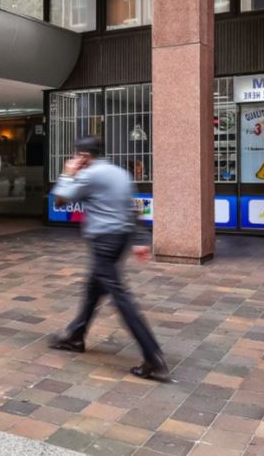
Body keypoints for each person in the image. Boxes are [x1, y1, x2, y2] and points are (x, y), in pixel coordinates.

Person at [49, 135, 168, 380]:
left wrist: (67, 173)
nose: (75, 158)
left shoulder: (90, 175)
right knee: (93, 288)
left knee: (120, 296)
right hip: (121, 238)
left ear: (84, 156)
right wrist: (140, 238)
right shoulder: (120, 173)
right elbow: (133, 207)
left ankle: (152, 356)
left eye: (77, 154)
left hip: (103, 241)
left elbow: (60, 201)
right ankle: (75, 336)